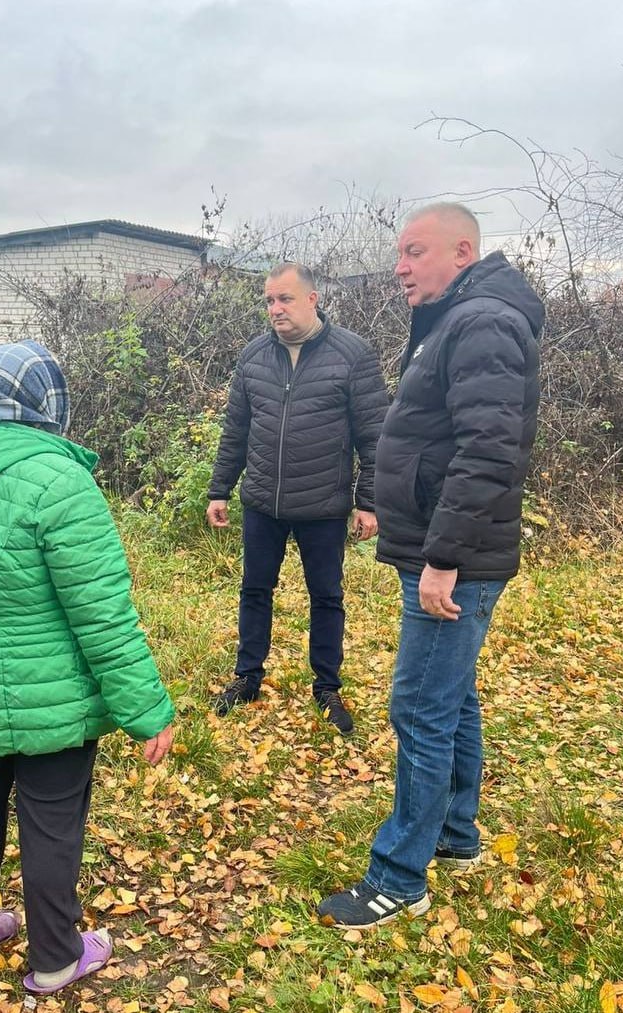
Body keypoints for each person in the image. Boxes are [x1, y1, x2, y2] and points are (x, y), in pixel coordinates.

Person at [0, 341, 175, 992]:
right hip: (47, 701)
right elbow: (103, 614)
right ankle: (55, 957)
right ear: (52, 406)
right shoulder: (60, 483)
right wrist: (147, 709)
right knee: (50, 824)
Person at [318, 203, 543, 928]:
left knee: (418, 704)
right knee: (453, 697)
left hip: (454, 560)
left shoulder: (482, 324)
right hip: (443, 549)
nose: (400, 267)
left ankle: (397, 877)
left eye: (414, 251)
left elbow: (488, 451)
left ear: (463, 251)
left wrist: (442, 557)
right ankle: (455, 833)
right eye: (400, 254)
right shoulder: (459, 319)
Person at [206, 263, 389, 734]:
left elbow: (375, 437)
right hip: (263, 501)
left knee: (326, 597)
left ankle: (327, 686)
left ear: (312, 299)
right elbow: (236, 431)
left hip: (323, 505)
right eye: (269, 301)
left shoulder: (352, 355)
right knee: (254, 591)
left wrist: (367, 501)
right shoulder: (253, 357)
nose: (275, 309)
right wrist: (219, 489)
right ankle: (247, 678)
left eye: (284, 299)